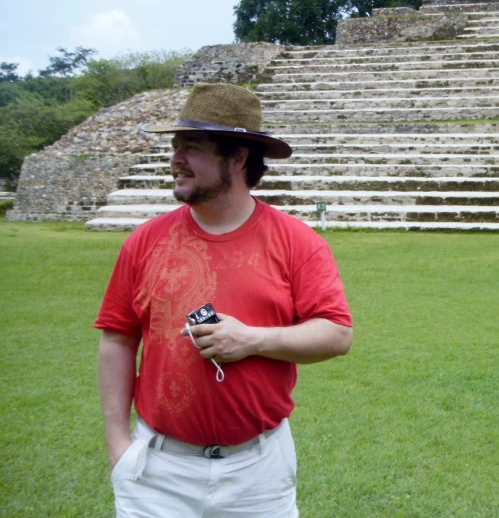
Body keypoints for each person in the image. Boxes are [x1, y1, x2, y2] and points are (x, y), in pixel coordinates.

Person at [94, 82, 353, 518]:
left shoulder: (297, 242)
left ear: (237, 157)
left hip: (258, 473)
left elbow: (337, 334)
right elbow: (117, 340)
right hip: (157, 472)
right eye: (175, 146)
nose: (175, 159)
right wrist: (119, 442)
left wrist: (251, 339)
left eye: (192, 147)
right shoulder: (144, 242)